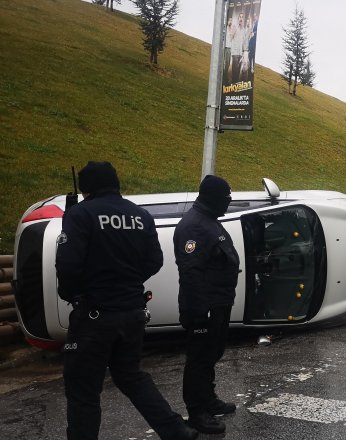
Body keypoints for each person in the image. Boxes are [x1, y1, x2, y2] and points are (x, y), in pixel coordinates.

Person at [56, 161, 197, 440]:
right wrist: (129, 281)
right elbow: (155, 260)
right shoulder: (140, 215)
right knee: (130, 376)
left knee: (83, 389)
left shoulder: (80, 214)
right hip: (132, 311)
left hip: (94, 315)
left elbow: (68, 265)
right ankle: (176, 431)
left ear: (86, 189)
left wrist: (72, 294)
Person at [173, 175, 240, 434]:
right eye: (226, 198)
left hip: (218, 302)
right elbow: (191, 273)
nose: (228, 202)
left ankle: (208, 399)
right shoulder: (195, 227)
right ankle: (197, 411)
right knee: (199, 358)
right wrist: (200, 312)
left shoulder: (209, 221)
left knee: (211, 353)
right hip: (203, 306)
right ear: (212, 198)